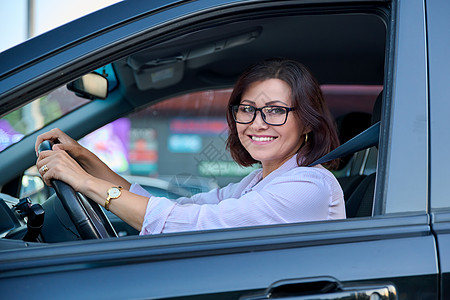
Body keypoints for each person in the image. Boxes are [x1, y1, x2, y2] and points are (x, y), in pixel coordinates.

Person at [35, 58, 346, 235]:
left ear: (307, 121)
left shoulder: (309, 186)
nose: (258, 122)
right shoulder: (260, 182)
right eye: (247, 108)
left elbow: (196, 225)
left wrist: (84, 182)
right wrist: (85, 158)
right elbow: (184, 209)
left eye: (276, 110)